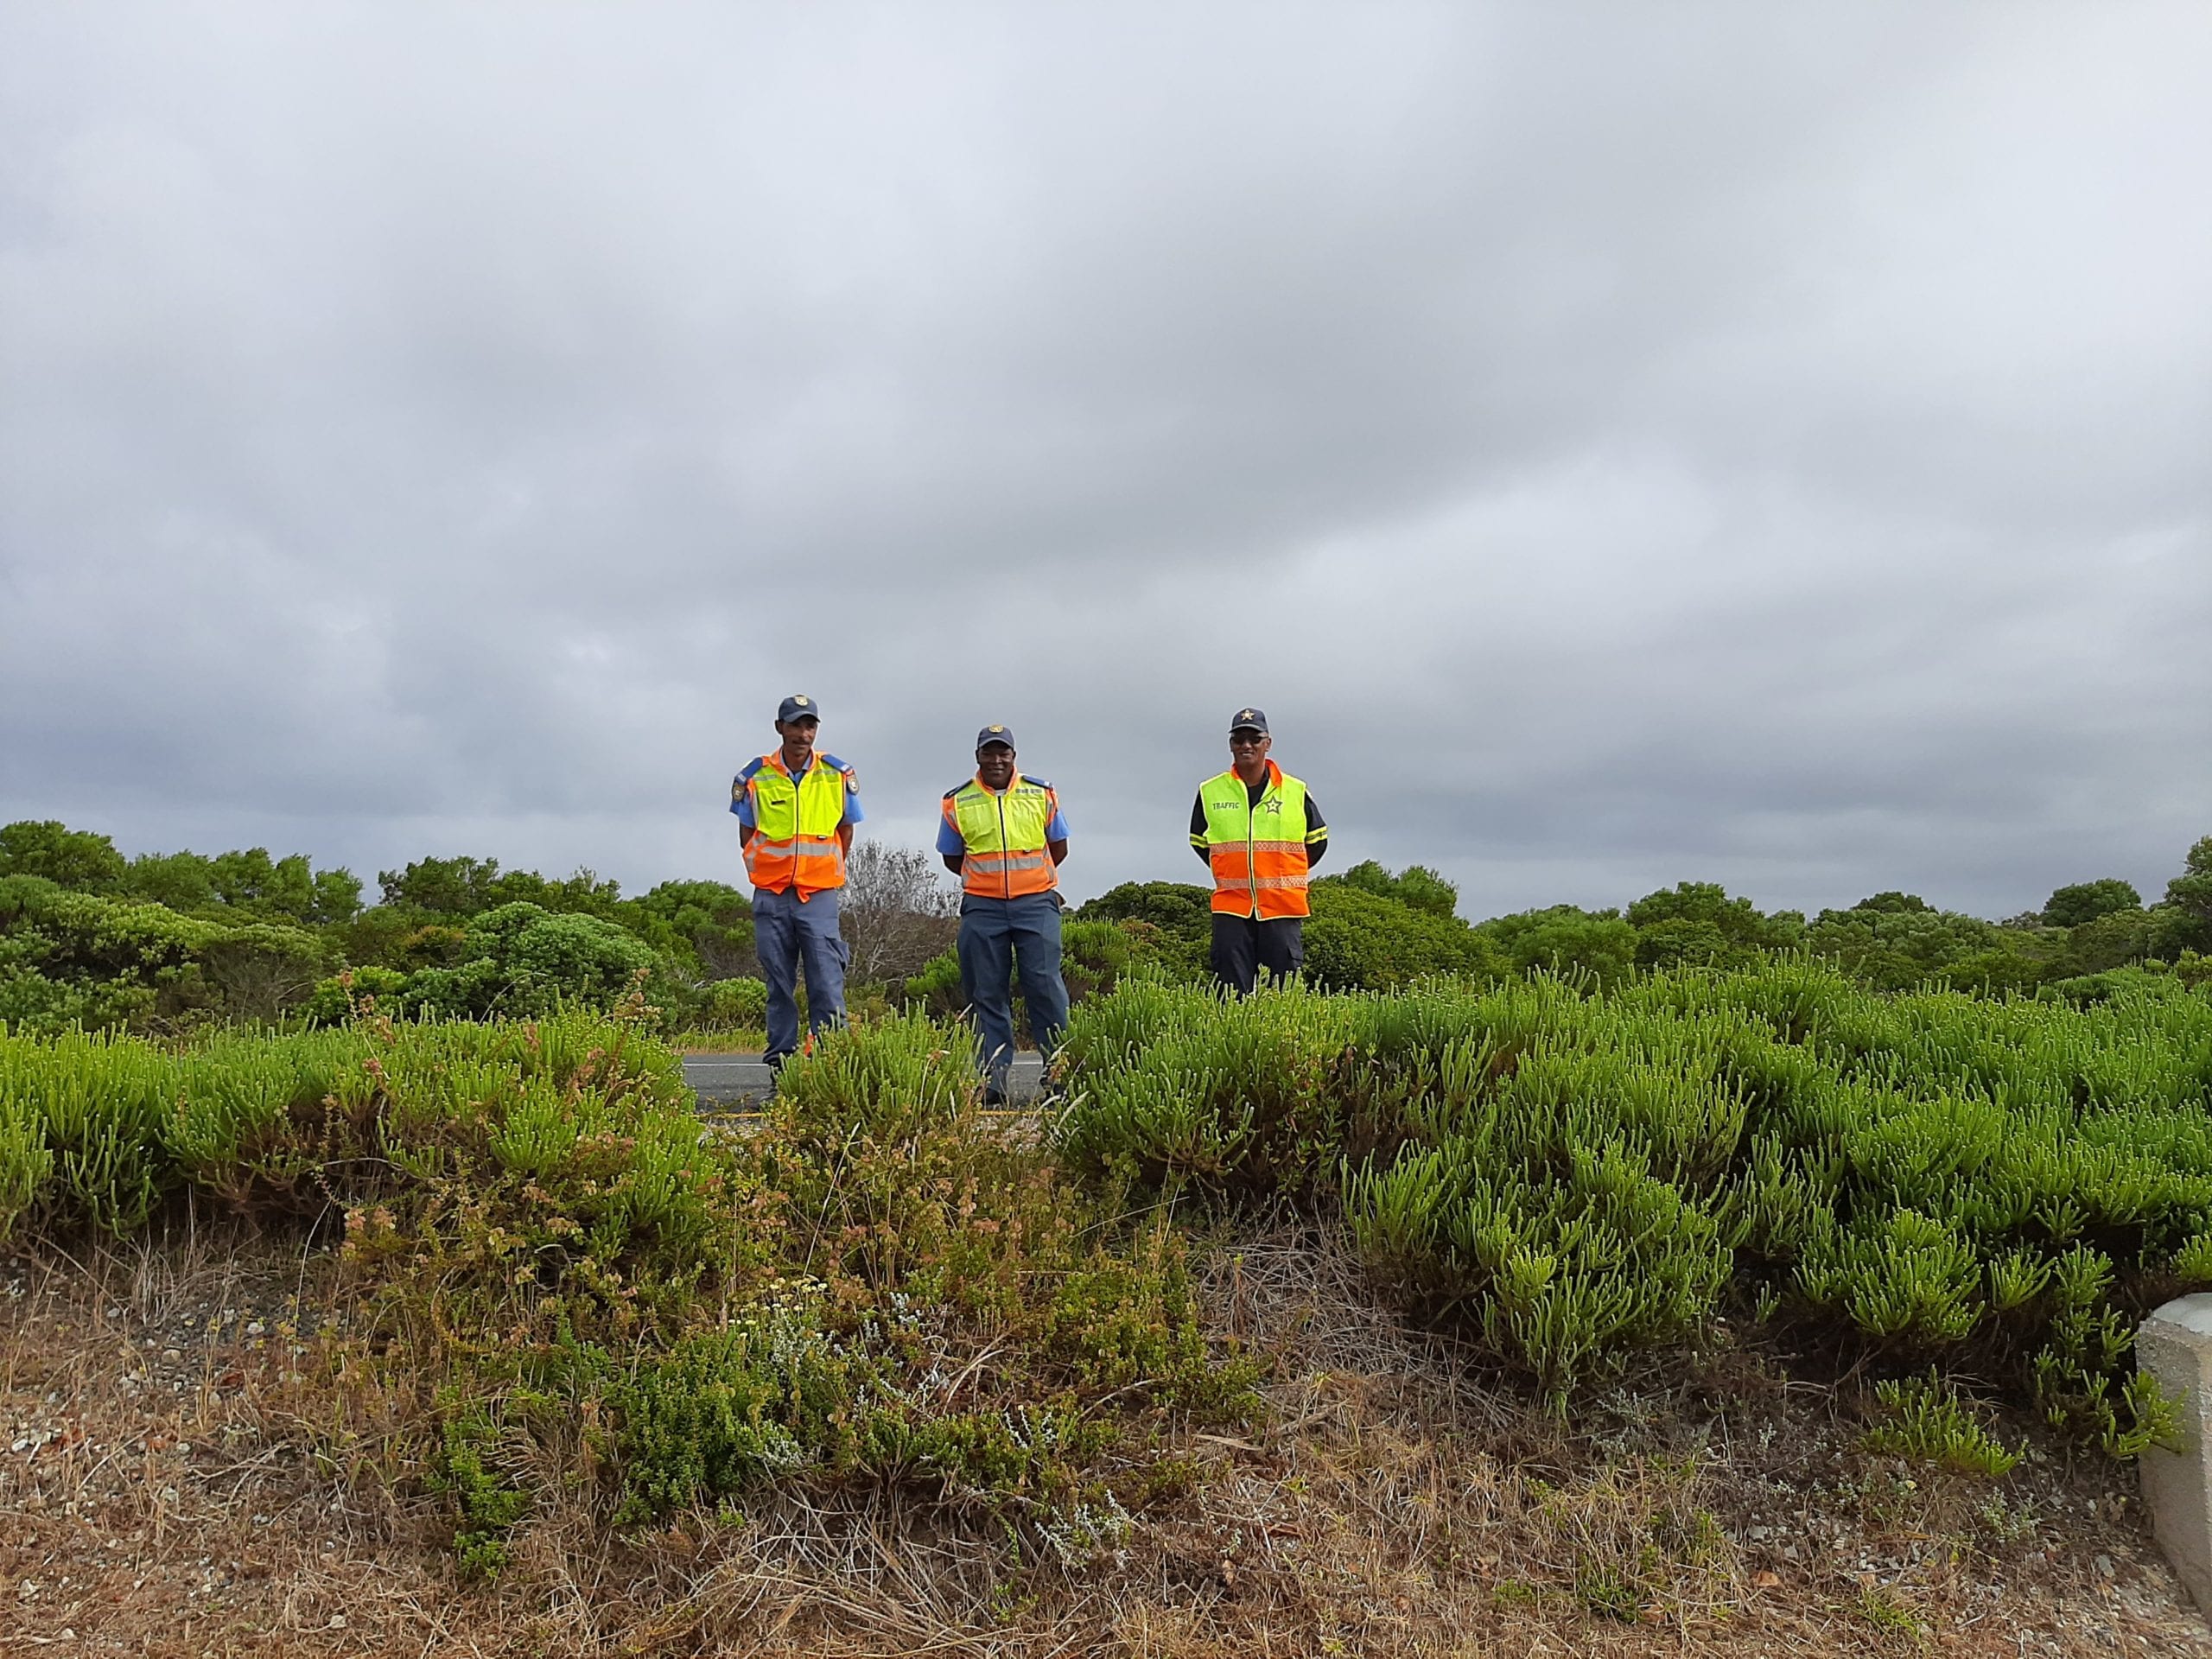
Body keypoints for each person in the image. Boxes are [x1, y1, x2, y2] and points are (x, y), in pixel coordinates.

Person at [938, 724, 1071, 1102]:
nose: (996, 760)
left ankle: (1059, 1078)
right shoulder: (957, 801)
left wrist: (1028, 882)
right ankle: (992, 1084)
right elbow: (952, 857)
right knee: (986, 994)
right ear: (977, 756)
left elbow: (1058, 847)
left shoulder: (1040, 793)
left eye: (1004, 753)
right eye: (988, 753)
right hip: (983, 907)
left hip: (1036, 904)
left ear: (1014, 755)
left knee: (1046, 989)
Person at [729, 694, 863, 1071]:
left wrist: (821, 873)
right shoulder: (754, 777)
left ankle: (828, 1070)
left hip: (818, 896)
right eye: (795, 725)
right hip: (771, 896)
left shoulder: (837, 775)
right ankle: (781, 1070)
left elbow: (845, 831)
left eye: (810, 726)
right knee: (779, 988)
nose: (803, 734)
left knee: (827, 985)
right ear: (780, 728)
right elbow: (747, 832)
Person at [1190, 707, 1328, 993]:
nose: (1246, 746)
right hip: (1232, 909)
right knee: (1230, 996)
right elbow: (1199, 842)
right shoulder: (1210, 791)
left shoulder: (1295, 791)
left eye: (1254, 738)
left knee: (1283, 997)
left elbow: (1317, 841)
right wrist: (1231, 869)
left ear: (1268, 743)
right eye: (1239, 739)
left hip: (1282, 909)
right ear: (1231, 745)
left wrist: (1282, 872)